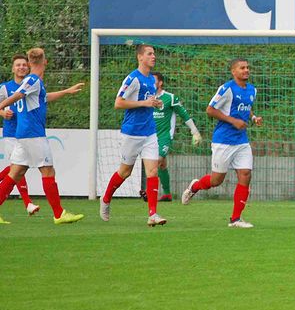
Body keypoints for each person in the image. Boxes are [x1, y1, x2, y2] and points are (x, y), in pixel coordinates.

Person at [0, 48, 85, 224]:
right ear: (44, 61)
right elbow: (18, 95)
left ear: (30, 62)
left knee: (15, 173)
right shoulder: (33, 80)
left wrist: (66, 91)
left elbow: (43, 97)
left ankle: (59, 214)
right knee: (47, 171)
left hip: (23, 134)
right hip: (33, 134)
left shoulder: (31, 81)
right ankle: (59, 214)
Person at [182, 58, 262, 228]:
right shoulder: (226, 89)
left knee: (246, 174)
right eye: (242, 68)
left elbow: (246, 107)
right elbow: (210, 110)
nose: (246, 70)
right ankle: (195, 187)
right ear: (233, 71)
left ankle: (235, 219)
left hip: (241, 140)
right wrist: (233, 121)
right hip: (223, 141)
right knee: (216, 180)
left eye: (247, 67)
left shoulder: (252, 90)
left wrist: (254, 117)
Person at [100, 44, 166, 227]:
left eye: (154, 53)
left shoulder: (151, 80)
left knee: (153, 171)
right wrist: (144, 103)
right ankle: (105, 199)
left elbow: (147, 102)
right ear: (140, 57)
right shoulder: (133, 78)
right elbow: (118, 103)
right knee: (125, 172)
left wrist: (155, 103)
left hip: (149, 132)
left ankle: (153, 214)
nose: (153, 56)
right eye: (149, 54)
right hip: (131, 133)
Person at [139, 72, 202, 202]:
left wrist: (194, 131)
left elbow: (184, 114)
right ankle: (167, 194)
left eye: (153, 80)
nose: (150, 82)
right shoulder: (147, 99)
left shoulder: (170, 98)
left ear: (160, 83)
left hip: (165, 137)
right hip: (150, 136)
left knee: (156, 161)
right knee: (162, 165)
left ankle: (148, 192)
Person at [0, 54, 41, 222]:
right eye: (18, 65)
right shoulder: (5, 88)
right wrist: (2, 113)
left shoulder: (32, 84)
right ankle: (28, 203)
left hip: (27, 133)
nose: (21, 67)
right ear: (13, 68)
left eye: (24, 64)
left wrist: (66, 92)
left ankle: (28, 203)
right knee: (18, 168)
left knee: (16, 168)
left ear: (28, 67)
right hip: (11, 134)